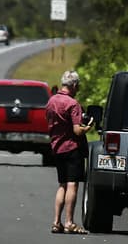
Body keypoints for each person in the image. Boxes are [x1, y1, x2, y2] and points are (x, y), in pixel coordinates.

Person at [46, 69, 93, 234]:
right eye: (77, 85)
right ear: (73, 85)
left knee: (62, 185)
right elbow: (76, 131)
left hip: (57, 147)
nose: (78, 88)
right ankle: (69, 222)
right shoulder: (73, 104)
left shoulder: (51, 101)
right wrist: (88, 127)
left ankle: (56, 222)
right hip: (72, 148)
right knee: (73, 185)